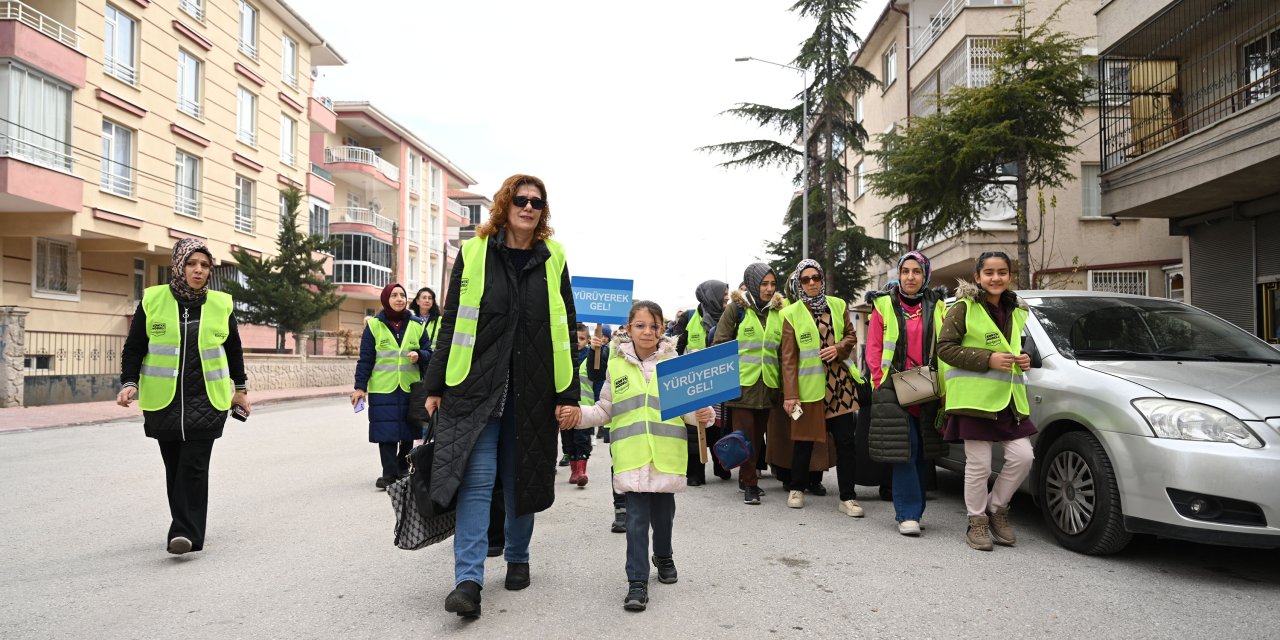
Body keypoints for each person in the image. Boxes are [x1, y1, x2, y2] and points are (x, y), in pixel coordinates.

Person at [423, 174, 579, 618]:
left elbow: (564, 327)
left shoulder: (554, 258)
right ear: (506, 205)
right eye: (521, 200)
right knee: (475, 483)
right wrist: (435, 385)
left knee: (521, 477)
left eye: (537, 202)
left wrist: (567, 393)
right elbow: (451, 320)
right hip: (476, 389)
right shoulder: (473, 253)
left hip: (533, 390)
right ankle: (468, 581)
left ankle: (518, 556)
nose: (529, 207)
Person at [574, 301, 715, 612]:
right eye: (641, 325)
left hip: (666, 457)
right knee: (636, 521)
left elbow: (690, 412)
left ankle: (663, 556)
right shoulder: (616, 365)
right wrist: (577, 417)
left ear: (662, 329)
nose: (648, 331)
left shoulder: (674, 364)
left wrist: (704, 415)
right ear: (628, 328)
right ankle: (637, 581)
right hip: (632, 457)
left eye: (654, 326)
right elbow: (604, 410)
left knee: (663, 518)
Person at [117, 238, 251, 556]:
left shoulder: (221, 304)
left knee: (193, 466)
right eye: (192, 263)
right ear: (179, 265)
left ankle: (183, 533)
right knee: (174, 466)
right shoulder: (153, 300)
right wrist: (129, 382)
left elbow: (233, 350)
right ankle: (188, 528)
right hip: (164, 401)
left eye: (204, 265)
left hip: (208, 400)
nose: (198, 270)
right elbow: (135, 346)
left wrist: (241, 390)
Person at [937, 251, 1036, 551]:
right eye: (989, 273)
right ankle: (976, 521)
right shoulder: (963, 308)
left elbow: (1020, 345)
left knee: (1023, 458)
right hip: (974, 401)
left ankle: (997, 509)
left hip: (1008, 400)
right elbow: (944, 348)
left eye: (1002, 272)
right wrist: (988, 359)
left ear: (1009, 276)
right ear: (978, 277)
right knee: (978, 466)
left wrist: (1027, 358)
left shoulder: (1019, 310)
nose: (996, 278)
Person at [866, 251, 949, 536]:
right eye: (905, 271)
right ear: (898, 275)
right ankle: (907, 514)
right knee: (906, 449)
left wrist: (944, 385)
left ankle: (916, 510)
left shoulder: (937, 305)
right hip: (893, 386)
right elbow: (874, 347)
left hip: (927, 386)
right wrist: (880, 380)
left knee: (924, 450)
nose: (910, 277)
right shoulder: (884, 305)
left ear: (925, 275)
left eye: (916, 271)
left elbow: (945, 345)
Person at [779, 259, 863, 516]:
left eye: (816, 277)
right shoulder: (790, 313)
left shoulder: (837, 305)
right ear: (798, 283)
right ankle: (797, 488)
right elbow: (788, 359)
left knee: (846, 442)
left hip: (840, 384)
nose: (812, 283)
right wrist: (791, 394)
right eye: (806, 279)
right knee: (803, 441)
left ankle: (847, 497)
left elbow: (851, 335)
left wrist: (838, 349)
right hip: (809, 388)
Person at [713, 263, 784, 506]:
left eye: (772, 284)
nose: (769, 289)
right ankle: (750, 484)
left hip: (769, 385)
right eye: (764, 284)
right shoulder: (737, 310)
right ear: (753, 283)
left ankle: (747, 477)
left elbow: (783, 350)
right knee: (745, 436)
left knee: (758, 436)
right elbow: (720, 342)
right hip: (742, 384)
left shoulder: (778, 312)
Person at [351, 283, 430, 489]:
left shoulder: (417, 325)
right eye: (394, 295)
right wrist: (360, 387)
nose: (399, 299)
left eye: (402, 295)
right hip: (382, 389)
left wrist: (419, 355)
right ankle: (388, 474)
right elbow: (366, 359)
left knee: (407, 432)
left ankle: (403, 470)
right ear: (386, 299)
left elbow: (430, 353)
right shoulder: (374, 326)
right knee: (386, 433)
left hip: (409, 388)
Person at [674, 279, 731, 485]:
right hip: (693, 380)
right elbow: (676, 346)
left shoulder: (730, 316)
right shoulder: (689, 317)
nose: (726, 298)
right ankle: (695, 473)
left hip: (719, 377)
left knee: (719, 424)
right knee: (694, 426)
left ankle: (722, 465)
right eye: (723, 295)